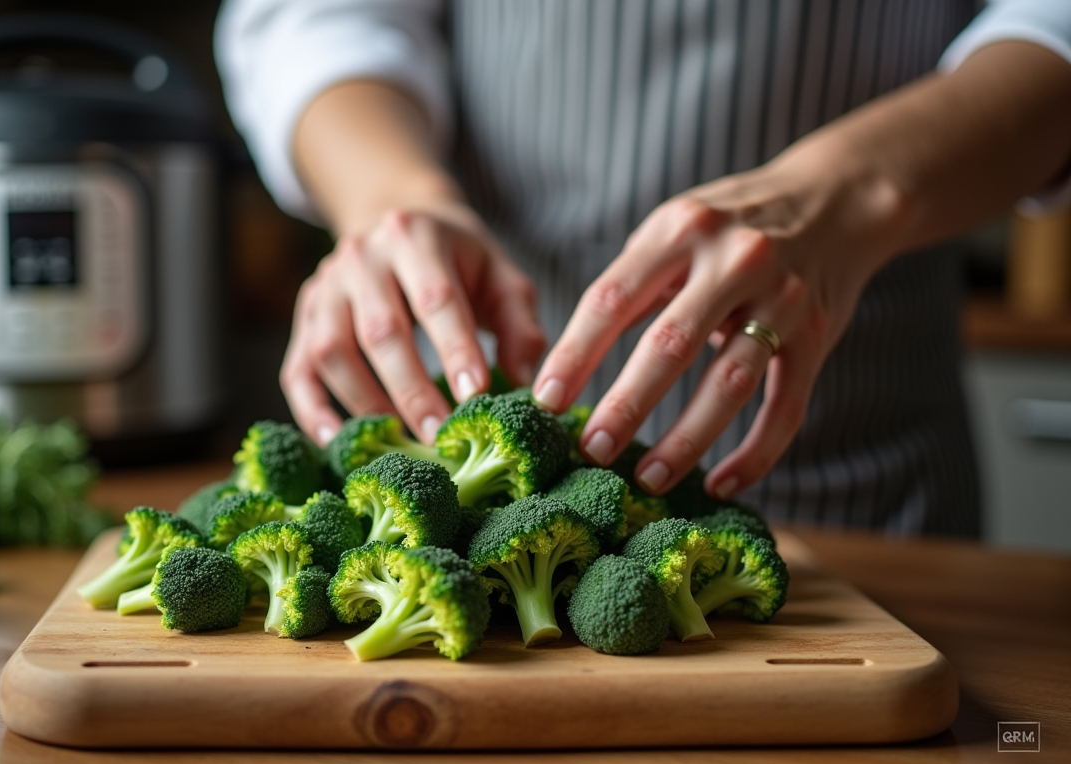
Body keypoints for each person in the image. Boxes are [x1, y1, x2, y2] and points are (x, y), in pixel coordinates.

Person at [216, 0, 1071, 537]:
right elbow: (312, 15)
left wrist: (857, 187)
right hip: (472, 462)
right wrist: (389, 194)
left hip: (866, 468)